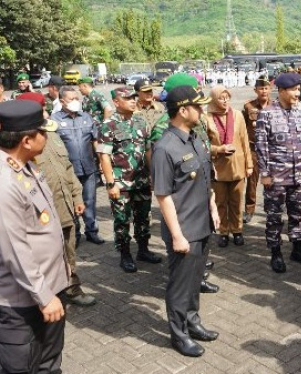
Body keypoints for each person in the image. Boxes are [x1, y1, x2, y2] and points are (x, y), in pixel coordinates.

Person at [0, 100, 69, 373]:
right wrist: (44, 296)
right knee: (23, 368)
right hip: (23, 301)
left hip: (47, 288)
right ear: (27, 141)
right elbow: (13, 250)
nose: (48, 137)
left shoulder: (23, 164)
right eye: (43, 132)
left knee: (49, 363)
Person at [151, 85, 221, 358]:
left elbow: (205, 180)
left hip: (202, 224)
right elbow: (163, 196)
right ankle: (178, 334)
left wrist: (213, 207)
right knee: (180, 286)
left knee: (194, 282)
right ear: (183, 110)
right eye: (198, 107)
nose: (202, 111)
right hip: (184, 229)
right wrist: (177, 235)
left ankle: (192, 322)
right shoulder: (165, 147)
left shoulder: (194, 138)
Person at [20, 92, 96, 306]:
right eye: (41, 109)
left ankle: (72, 288)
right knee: (45, 255)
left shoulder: (50, 134)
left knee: (69, 250)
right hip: (42, 212)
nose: (46, 112)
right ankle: (44, 295)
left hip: (65, 207)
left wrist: (77, 196)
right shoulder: (21, 144)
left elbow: (68, 167)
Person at [255, 72, 301, 273]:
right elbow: (261, 146)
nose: (298, 93)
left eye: (299, 89)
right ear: (281, 91)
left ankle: (297, 249)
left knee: (298, 214)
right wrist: (265, 173)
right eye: (294, 90)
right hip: (276, 176)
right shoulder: (267, 113)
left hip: (298, 174)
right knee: (274, 216)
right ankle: (276, 253)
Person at [97, 87, 161, 273]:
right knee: (122, 220)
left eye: (134, 97)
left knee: (143, 217)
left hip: (141, 181)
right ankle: (125, 254)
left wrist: (153, 176)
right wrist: (111, 183)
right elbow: (104, 157)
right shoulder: (108, 125)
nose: (133, 101)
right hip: (121, 183)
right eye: (128, 98)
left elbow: (148, 150)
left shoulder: (141, 122)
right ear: (116, 102)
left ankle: (143, 250)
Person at [52, 86, 105, 246]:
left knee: (89, 200)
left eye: (77, 98)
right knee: (70, 202)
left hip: (89, 168)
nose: (76, 101)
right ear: (62, 101)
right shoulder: (54, 120)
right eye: (71, 99)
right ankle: (74, 234)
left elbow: (95, 140)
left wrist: (102, 162)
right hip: (68, 170)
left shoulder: (86, 117)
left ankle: (91, 231)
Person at [205, 85, 253, 248]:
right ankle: (223, 231)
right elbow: (202, 145)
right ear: (213, 99)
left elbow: (245, 141)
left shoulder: (238, 115)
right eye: (221, 98)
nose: (225, 101)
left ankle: (237, 230)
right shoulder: (207, 118)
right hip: (218, 167)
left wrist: (249, 165)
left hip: (238, 165)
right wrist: (218, 149)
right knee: (220, 202)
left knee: (236, 201)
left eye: (227, 98)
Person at [242, 75, 271, 224]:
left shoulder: (276, 106)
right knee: (251, 182)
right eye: (261, 88)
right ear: (256, 90)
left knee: (272, 182)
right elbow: (243, 128)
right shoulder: (248, 107)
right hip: (254, 149)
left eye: (266, 88)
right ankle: (249, 210)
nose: (264, 91)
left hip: (271, 151)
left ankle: (270, 209)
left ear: (270, 89)